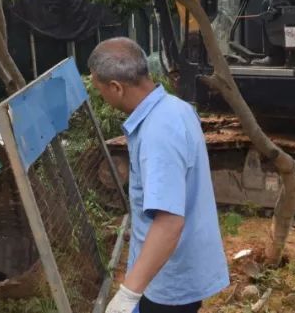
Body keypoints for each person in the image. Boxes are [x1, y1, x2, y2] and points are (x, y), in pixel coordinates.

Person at [88, 37, 229, 313]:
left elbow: (168, 223)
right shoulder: (176, 108)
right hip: (179, 264)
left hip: (169, 279)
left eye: (99, 89)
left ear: (116, 88)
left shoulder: (157, 133)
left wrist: (128, 294)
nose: (101, 96)